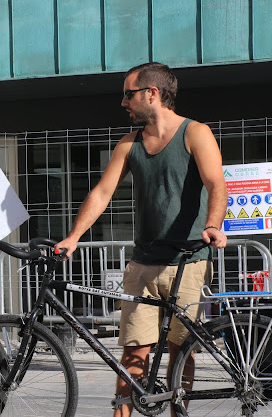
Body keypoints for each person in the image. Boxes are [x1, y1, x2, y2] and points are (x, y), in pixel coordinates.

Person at [54, 62, 227, 416]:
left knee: (182, 349)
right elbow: (102, 193)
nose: (123, 102)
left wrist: (212, 224)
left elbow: (216, 184)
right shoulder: (129, 143)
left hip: (188, 261)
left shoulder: (195, 133)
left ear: (152, 93)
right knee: (134, 352)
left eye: (128, 94)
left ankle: (180, 410)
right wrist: (73, 237)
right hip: (143, 263)